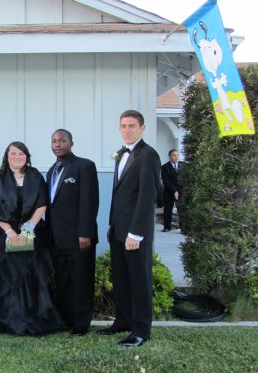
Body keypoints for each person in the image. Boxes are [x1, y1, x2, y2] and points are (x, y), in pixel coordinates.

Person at [0, 142, 66, 335]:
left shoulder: (36, 176)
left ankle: (32, 318)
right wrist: (10, 232)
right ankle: (2, 319)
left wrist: (29, 228)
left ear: (27, 156)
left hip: (31, 233)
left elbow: (42, 204)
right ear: (7, 156)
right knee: (3, 276)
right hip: (2, 233)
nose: (17, 157)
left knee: (32, 275)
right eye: (13, 153)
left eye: (21, 154)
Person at [96, 110, 160, 347]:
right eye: (123, 125)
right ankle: (122, 321)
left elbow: (147, 197)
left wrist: (136, 233)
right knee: (121, 280)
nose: (127, 130)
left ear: (142, 128)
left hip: (135, 233)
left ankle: (141, 331)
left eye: (132, 126)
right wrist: (112, 226)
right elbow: (119, 196)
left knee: (139, 281)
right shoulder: (121, 154)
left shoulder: (149, 155)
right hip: (118, 230)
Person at [46, 129, 99, 337]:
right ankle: (67, 319)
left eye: (62, 140)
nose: (57, 144)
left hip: (79, 238)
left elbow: (89, 201)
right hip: (57, 239)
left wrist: (85, 232)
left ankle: (81, 324)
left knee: (81, 281)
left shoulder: (84, 166)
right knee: (64, 282)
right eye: (54, 141)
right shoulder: (51, 171)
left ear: (71, 143)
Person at [161, 149, 183, 232]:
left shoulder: (183, 165)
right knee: (167, 210)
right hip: (169, 192)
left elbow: (184, 179)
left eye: (177, 155)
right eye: (174, 155)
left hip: (181, 192)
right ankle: (167, 227)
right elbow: (166, 181)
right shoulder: (164, 167)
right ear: (170, 156)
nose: (176, 157)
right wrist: (175, 191)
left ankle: (183, 227)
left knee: (181, 209)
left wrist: (178, 191)